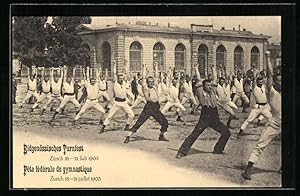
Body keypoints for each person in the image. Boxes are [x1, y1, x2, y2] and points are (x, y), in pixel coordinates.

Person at [175, 64, 231, 159]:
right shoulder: (200, 92)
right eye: (207, 85)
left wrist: (213, 69)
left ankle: (218, 149)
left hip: (214, 116)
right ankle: (182, 151)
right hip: (205, 116)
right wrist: (196, 69)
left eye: (210, 85)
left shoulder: (213, 91)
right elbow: (199, 80)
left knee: (226, 133)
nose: (209, 87)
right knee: (195, 134)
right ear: (203, 86)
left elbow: (215, 80)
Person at [242, 51, 281, 180]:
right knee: (260, 145)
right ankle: (248, 170)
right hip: (275, 122)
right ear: (275, 82)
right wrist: (268, 57)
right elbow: (270, 74)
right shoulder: (271, 91)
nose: (281, 83)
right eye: (279, 81)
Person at [124, 64, 169, 143]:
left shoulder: (155, 86)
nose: (151, 83)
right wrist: (144, 68)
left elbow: (156, 77)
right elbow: (144, 78)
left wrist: (156, 67)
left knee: (165, 122)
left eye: (152, 82)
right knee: (139, 122)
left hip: (155, 107)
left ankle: (161, 135)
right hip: (148, 107)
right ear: (147, 83)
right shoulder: (145, 88)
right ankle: (128, 136)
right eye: (150, 82)